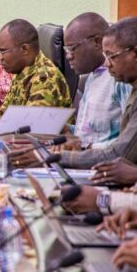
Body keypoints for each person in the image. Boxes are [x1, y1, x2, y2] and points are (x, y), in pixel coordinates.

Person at [57, 17, 137, 168]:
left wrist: (62, 157)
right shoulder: (93, 76)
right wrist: (68, 130)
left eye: (72, 48)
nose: (68, 56)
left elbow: (123, 148)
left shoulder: (121, 80)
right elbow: (94, 131)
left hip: (107, 163)